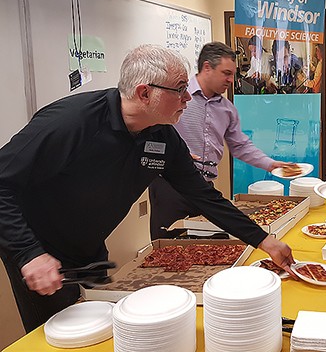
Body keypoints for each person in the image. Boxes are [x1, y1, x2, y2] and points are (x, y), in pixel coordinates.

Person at [0, 44, 295, 333]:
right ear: (144, 93)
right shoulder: (70, 122)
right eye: (180, 89)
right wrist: (30, 254)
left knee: (107, 327)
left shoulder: (162, 136)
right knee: (62, 334)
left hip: (89, 245)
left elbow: (203, 196)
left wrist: (264, 241)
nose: (187, 99)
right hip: (39, 248)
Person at [149, 42, 289, 240]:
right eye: (226, 73)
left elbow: (240, 145)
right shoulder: (175, 96)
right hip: (170, 189)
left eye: (232, 74)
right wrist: (175, 153)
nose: (231, 80)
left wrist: (271, 165)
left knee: (213, 247)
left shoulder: (227, 108)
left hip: (204, 187)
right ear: (207, 67)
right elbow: (151, 131)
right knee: (168, 249)